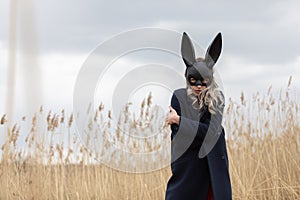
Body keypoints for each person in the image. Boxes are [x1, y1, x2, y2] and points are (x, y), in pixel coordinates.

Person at [165, 32, 232, 200]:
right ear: (188, 77)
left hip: (213, 166)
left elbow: (213, 132)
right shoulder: (179, 97)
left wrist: (180, 120)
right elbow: (181, 136)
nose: (199, 86)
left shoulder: (217, 98)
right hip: (189, 168)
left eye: (204, 81)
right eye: (194, 80)